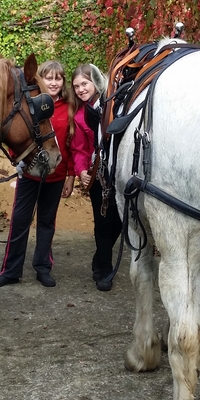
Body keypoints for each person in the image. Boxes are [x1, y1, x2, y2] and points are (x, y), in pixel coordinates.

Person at [0, 60, 77, 288]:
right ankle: (11, 270)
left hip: (56, 176)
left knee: (47, 222)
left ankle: (43, 267)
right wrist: (16, 159)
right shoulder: (33, 103)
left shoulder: (69, 108)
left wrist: (70, 176)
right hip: (29, 174)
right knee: (20, 221)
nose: (54, 83)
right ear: (40, 80)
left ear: (63, 82)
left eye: (58, 78)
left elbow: (72, 144)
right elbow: (17, 130)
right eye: (49, 78)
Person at [72, 63, 123, 292]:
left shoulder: (115, 105)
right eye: (76, 86)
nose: (81, 89)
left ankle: (98, 259)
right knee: (103, 222)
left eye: (84, 83)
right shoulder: (80, 115)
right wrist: (81, 170)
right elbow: (80, 148)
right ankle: (105, 269)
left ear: (95, 81)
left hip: (118, 171)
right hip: (97, 174)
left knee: (119, 222)